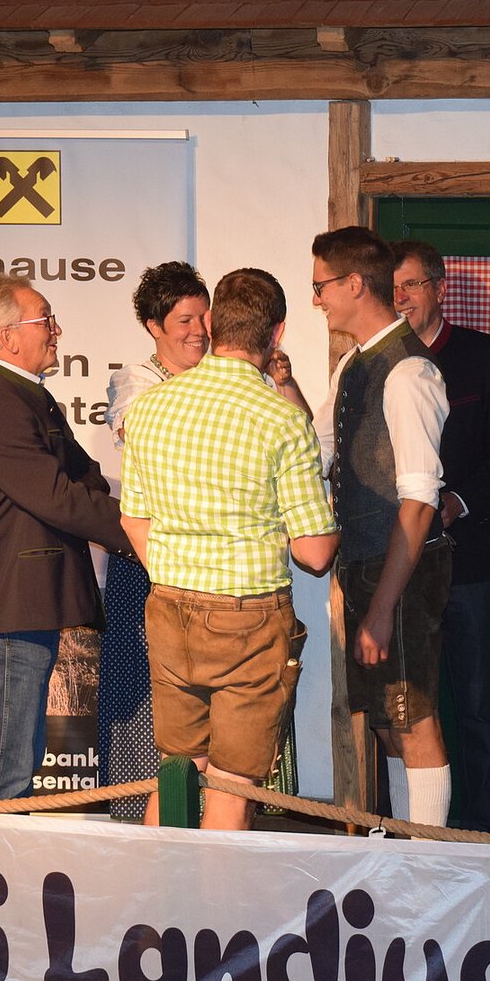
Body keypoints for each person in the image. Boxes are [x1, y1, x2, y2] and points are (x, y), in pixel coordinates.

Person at [119, 267, 339, 830]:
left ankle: (154, 888)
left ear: (214, 322)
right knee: (232, 782)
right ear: (278, 331)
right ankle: (213, 893)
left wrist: (177, 573)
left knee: (176, 771)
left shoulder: (150, 408)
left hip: (169, 607)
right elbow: (315, 554)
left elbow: (133, 518)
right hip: (248, 620)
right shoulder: (282, 420)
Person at [0, 275, 133, 803]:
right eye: (45, 320)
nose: (56, 330)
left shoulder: (25, 395)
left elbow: (84, 474)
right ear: (8, 337)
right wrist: (139, 534)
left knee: (17, 758)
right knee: (8, 767)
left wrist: (121, 516)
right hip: (10, 603)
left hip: (26, 602)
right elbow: (55, 494)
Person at [312, 226, 453, 831]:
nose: (316, 299)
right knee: (389, 722)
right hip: (366, 564)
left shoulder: (409, 372)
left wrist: (380, 609)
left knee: (412, 716)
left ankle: (426, 858)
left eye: (321, 286)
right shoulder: (355, 363)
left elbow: (419, 501)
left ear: (353, 283)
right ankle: (403, 847)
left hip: (403, 569)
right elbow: (316, 449)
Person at [390, 240, 490, 832]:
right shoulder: (378, 363)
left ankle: (482, 832)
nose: (401, 297)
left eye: (411, 284)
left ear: (440, 288)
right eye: (392, 287)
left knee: (475, 707)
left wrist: (457, 502)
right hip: (396, 566)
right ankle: (407, 830)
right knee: (402, 707)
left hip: (469, 561)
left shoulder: (486, 356)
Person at [97, 261, 212, 822]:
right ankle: (139, 825)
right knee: (146, 693)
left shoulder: (227, 373)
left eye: (204, 318)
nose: (199, 331)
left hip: (213, 560)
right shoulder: (135, 381)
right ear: (154, 326)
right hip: (149, 559)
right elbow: (153, 442)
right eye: (184, 320)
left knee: (209, 696)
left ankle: (211, 820)